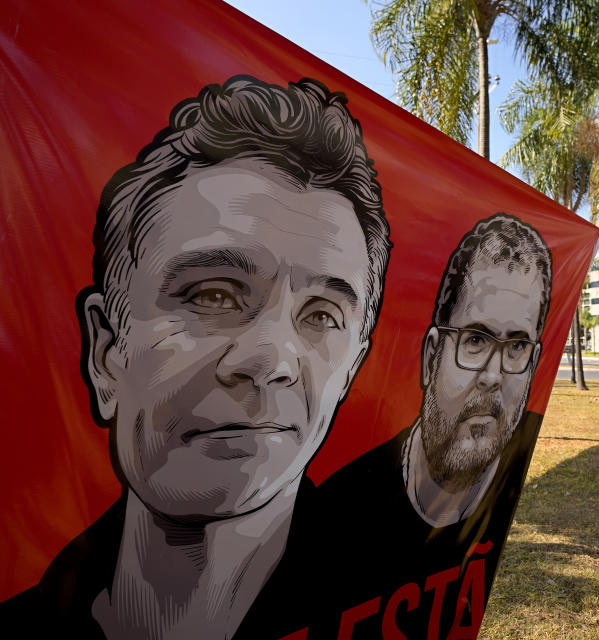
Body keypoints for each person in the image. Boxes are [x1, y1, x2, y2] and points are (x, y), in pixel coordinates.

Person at [0, 75, 392, 640]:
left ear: (352, 365)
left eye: (322, 315)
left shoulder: (390, 594)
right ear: (107, 349)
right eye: (213, 295)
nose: (271, 358)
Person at [321, 213, 552, 639]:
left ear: (534, 364)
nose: (492, 375)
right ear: (431, 356)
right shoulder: (329, 521)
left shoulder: (512, 466)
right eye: (476, 340)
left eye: (517, 346)